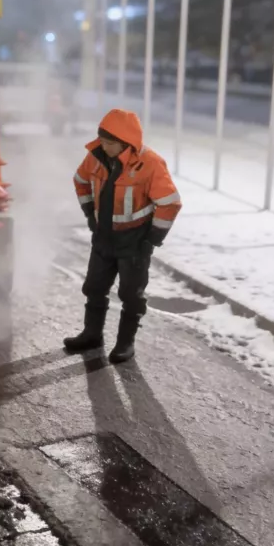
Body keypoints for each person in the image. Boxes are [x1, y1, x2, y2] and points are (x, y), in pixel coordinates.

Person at [65, 109, 182, 363]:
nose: (104, 147)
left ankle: (125, 344)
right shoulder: (95, 157)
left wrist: (152, 239)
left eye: (110, 143)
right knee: (94, 288)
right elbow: (80, 180)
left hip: (134, 243)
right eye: (102, 141)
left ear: (126, 142)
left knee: (131, 294)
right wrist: (89, 213)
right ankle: (91, 334)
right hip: (103, 238)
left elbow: (170, 203)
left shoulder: (150, 164)